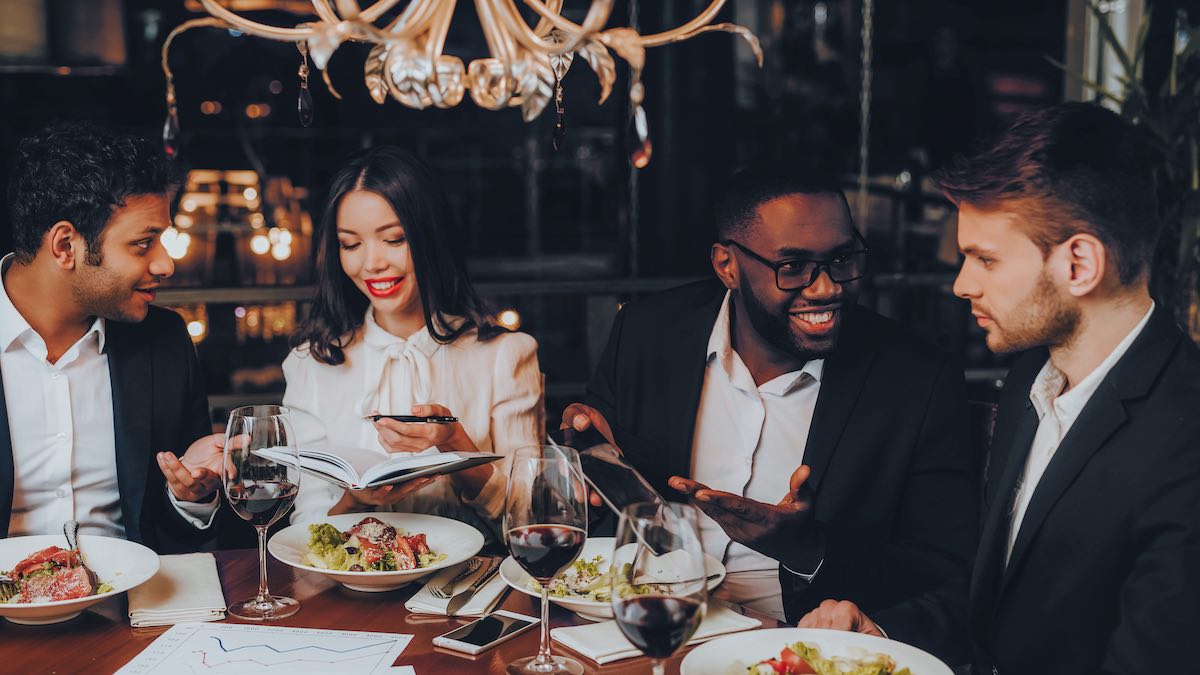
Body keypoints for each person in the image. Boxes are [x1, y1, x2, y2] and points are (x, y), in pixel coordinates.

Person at [799, 102, 1200, 673]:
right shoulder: (1029, 384)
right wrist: (882, 634)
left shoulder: (1186, 442)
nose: (962, 284)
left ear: (1079, 263)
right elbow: (1000, 599)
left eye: (984, 259)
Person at [562, 167, 978, 622]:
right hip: (644, 619)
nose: (826, 288)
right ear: (727, 265)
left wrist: (805, 548)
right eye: (793, 267)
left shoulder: (917, 378)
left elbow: (943, 570)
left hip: (792, 642)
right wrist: (588, 455)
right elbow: (599, 497)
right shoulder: (646, 331)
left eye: (842, 260)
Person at [285, 146, 541, 538]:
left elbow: (528, 517)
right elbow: (305, 526)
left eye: (394, 239)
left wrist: (453, 441)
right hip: (351, 592)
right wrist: (357, 499)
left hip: (469, 589)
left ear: (430, 237)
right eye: (351, 244)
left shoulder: (505, 355)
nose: (371, 263)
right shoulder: (312, 362)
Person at [1, 122, 226, 553]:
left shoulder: (165, 341)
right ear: (66, 246)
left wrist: (190, 496)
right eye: (144, 244)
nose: (166, 264)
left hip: (135, 608)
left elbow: (174, 535)